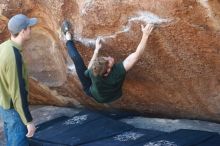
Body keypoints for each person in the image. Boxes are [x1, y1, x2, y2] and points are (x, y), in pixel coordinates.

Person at [62, 21, 154, 103]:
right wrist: (145, 35)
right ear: (108, 71)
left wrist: (96, 50)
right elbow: (136, 56)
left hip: (98, 95)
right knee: (80, 64)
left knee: (77, 60)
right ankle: (68, 38)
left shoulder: (95, 71)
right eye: (108, 61)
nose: (109, 57)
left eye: (106, 58)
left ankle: (68, 38)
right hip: (99, 93)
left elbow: (90, 68)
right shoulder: (117, 72)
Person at [0, 14, 37, 146]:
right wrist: (28, 121)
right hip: (14, 110)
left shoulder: (3, 47)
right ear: (22, 31)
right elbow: (18, 94)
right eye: (29, 27)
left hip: (4, 106)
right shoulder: (13, 56)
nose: (31, 30)